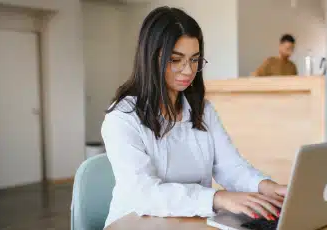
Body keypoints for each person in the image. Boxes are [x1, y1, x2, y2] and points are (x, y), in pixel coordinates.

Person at [101, 7, 288, 227]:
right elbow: (144, 193)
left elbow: (230, 166)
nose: (188, 70)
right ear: (151, 58)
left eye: (194, 60)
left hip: (188, 221)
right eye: (175, 59)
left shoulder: (202, 109)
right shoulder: (122, 118)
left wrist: (266, 187)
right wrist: (217, 198)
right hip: (133, 222)